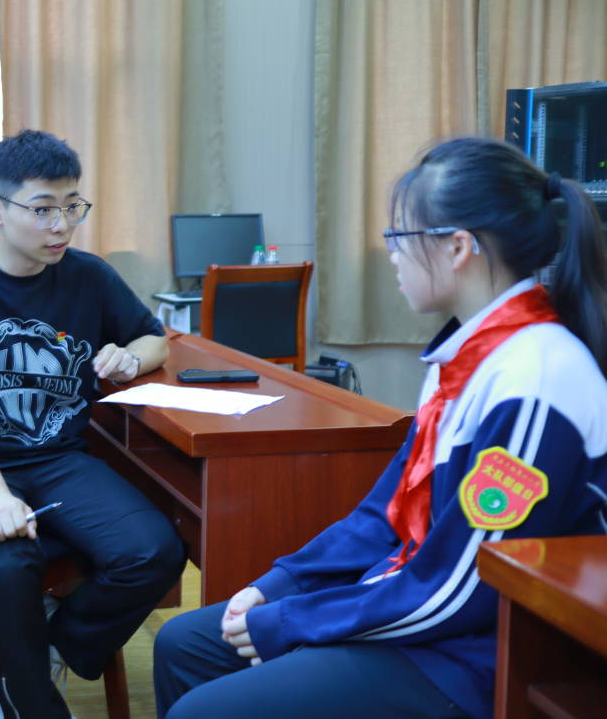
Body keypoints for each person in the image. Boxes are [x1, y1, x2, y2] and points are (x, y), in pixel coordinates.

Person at [153, 136, 607, 719]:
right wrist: (279, 586)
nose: (391, 254)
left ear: (457, 247)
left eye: (399, 237)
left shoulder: (537, 376)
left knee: (204, 709)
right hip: (419, 611)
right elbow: (385, 513)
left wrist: (296, 620)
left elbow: (468, 590)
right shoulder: (463, 358)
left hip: (475, 655)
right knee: (183, 644)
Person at [0, 129, 186, 718]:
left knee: (154, 551)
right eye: (43, 210)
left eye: (72, 207)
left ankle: (45, 651)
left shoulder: (88, 275)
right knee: (6, 564)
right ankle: (28, 700)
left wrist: (130, 357)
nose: (62, 226)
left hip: (56, 460)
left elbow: (155, 339)